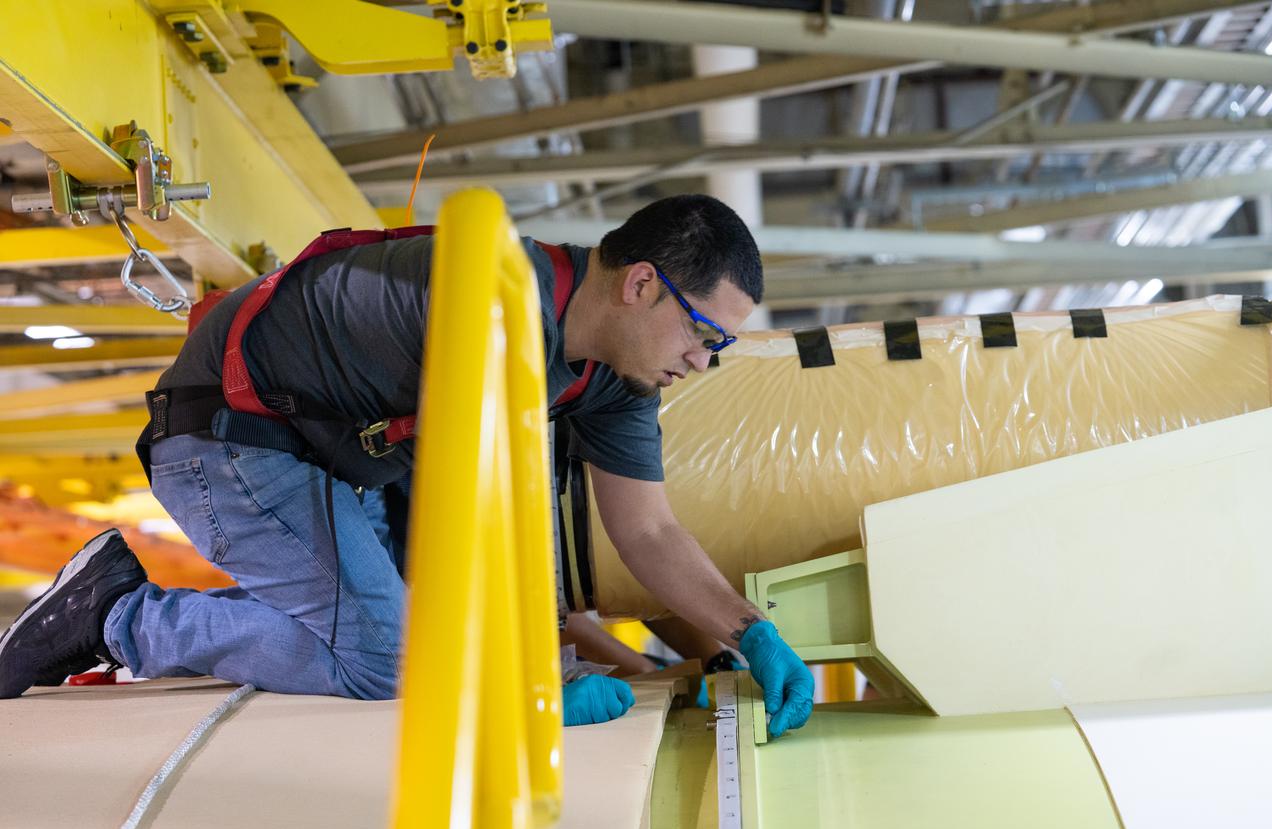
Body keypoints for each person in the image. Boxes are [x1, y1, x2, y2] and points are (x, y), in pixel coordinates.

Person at [0, 194, 814, 737]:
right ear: (642, 284)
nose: (703, 362)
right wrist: (523, 682)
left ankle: (126, 606)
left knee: (415, 649)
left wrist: (750, 630)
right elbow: (469, 518)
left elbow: (648, 526)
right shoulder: (490, 305)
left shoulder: (612, 377)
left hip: (336, 469)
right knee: (389, 662)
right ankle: (116, 615)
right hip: (227, 442)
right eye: (706, 336)